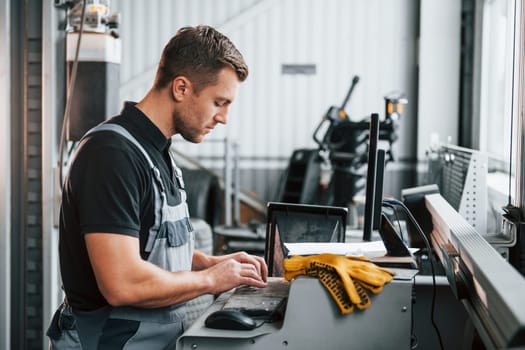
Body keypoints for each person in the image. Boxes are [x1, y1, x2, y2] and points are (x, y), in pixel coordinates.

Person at [47, 25, 268, 349]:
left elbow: (146, 246)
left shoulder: (157, 153)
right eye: (219, 102)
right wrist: (211, 280)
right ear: (181, 87)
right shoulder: (111, 155)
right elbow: (122, 283)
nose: (224, 118)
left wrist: (209, 262)